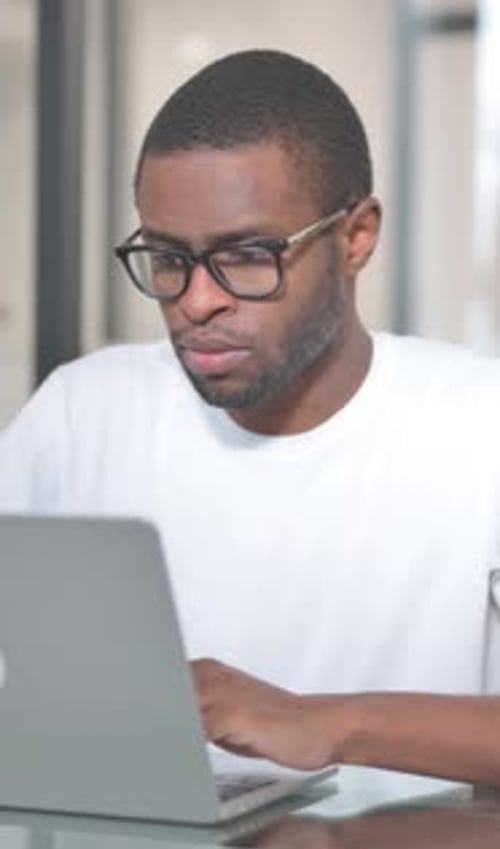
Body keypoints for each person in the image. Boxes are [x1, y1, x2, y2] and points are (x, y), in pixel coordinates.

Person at [1, 49, 500, 785]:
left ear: (356, 236)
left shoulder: (476, 427)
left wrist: (323, 723)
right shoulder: (83, 415)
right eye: (168, 258)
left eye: (246, 256)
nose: (197, 301)